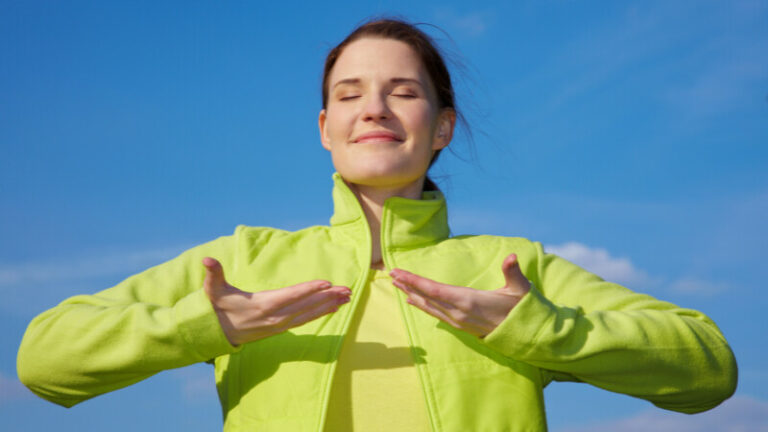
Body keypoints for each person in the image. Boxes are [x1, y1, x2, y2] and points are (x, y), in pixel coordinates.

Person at [17, 18, 737, 431]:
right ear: (325, 127)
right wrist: (207, 326)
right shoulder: (241, 261)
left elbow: (709, 369)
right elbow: (45, 362)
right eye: (349, 93)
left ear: (443, 126)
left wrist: (538, 328)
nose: (375, 109)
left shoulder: (512, 271)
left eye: (404, 91)